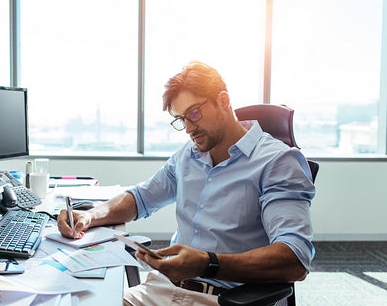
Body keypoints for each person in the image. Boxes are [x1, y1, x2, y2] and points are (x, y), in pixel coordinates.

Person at [57, 61, 315, 306]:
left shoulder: (278, 162)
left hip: (222, 299)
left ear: (223, 100)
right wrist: (90, 216)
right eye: (181, 119)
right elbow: (141, 198)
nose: (189, 128)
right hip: (162, 289)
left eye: (194, 113)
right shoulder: (189, 155)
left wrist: (207, 263)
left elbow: (295, 258)